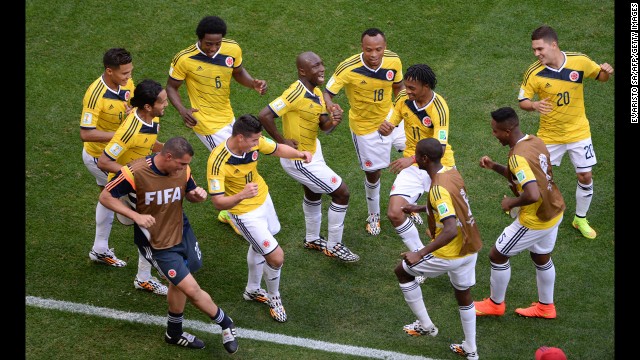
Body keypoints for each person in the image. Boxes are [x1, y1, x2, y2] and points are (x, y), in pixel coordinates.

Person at [98, 136, 238, 354]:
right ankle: (225, 322)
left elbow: (189, 193)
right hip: (156, 243)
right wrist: (134, 215)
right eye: (182, 164)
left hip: (182, 232)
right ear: (168, 156)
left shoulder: (183, 170)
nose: (185, 168)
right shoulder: (133, 172)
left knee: (178, 283)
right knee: (190, 288)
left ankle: (173, 333)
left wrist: (196, 196)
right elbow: (106, 196)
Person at [167, 15, 268, 235]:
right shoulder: (184, 59)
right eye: (208, 44)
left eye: (217, 43)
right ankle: (232, 214)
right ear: (199, 39)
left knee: (239, 161)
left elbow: (238, 72)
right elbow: (171, 87)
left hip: (227, 115)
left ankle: (228, 210)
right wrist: (183, 110)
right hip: (206, 122)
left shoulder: (232, 49)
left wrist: (253, 83)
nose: (213, 48)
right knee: (233, 163)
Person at [206, 114, 312, 323]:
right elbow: (218, 202)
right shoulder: (217, 161)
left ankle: (252, 290)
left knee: (260, 246)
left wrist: (299, 154)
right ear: (239, 138)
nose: (257, 143)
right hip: (244, 212)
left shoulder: (253, 142)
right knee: (275, 257)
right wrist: (241, 195)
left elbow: (277, 149)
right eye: (254, 140)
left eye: (258, 140)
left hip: (264, 199)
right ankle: (274, 298)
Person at [257, 51, 358, 262]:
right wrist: (281, 140)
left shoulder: (318, 93)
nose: (321, 69)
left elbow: (324, 127)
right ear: (302, 71)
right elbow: (264, 115)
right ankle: (334, 245)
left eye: (321, 64)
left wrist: (334, 121)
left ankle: (312, 238)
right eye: (315, 66)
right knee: (342, 193)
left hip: (314, 151)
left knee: (314, 193)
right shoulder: (294, 93)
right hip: (299, 159)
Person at [518, 25, 614, 239]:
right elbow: (522, 100)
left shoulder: (579, 61)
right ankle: (521, 205)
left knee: (585, 175)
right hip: (550, 135)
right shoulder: (534, 72)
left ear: (554, 45)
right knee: (536, 176)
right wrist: (533, 106)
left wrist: (607, 71)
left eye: (540, 49)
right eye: (534, 50)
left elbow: (600, 76)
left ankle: (580, 218)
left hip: (579, 132)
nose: (536, 54)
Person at [474, 107, 565, 319]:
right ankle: (546, 307)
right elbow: (529, 177)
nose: (493, 134)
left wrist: (510, 202)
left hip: (536, 218)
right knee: (541, 256)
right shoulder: (535, 141)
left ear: (507, 131)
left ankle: (495, 304)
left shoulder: (517, 156)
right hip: (555, 208)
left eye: (495, 131)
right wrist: (495, 166)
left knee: (497, 255)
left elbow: (532, 194)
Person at [395, 138, 481, 360]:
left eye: (416, 156)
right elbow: (452, 206)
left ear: (424, 159)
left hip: (450, 253)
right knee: (463, 294)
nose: (414, 158)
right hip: (470, 246)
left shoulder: (436, 188)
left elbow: (450, 229)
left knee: (402, 271)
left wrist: (419, 252)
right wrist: (422, 208)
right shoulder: (452, 174)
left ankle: (425, 325)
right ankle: (471, 349)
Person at [323, 28, 406, 236]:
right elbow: (326, 93)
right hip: (366, 129)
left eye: (378, 49)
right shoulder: (347, 68)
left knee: (414, 158)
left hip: (392, 119)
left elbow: (399, 87)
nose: (374, 55)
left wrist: (399, 113)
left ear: (384, 47)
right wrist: (331, 106)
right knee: (373, 173)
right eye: (369, 50)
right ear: (362, 48)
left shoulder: (394, 61)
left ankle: (408, 204)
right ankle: (374, 214)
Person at [96, 79, 168, 296]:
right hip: (130, 184)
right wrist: (134, 175)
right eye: (162, 102)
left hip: (140, 180)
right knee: (151, 228)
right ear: (148, 106)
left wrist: (168, 150)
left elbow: (149, 143)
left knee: (150, 225)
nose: (166, 104)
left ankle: (101, 248)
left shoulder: (153, 119)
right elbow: (104, 161)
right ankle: (144, 278)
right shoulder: (130, 129)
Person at [379, 63, 456, 254]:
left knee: (448, 221)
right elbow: (394, 119)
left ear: (426, 87)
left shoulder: (439, 108)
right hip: (413, 164)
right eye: (406, 86)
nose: (407, 90)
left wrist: (411, 159)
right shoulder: (404, 98)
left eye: (412, 88)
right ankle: (420, 254)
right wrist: (387, 127)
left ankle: (454, 262)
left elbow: (440, 147)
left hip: (439, 167)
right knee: (394, 213)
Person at [80, 47, 134, 269]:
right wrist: (121, 135)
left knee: (107, 194)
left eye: (130, 72)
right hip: (99, 158)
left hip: (117, 153)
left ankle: (100, 249)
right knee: (137, 197)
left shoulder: (126, 83)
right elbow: (86, 132)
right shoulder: (95, 96)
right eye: (124, 74)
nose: (129, 77)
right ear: (109, 71)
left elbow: (133, 103)